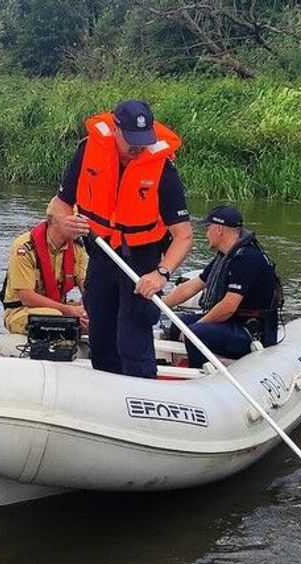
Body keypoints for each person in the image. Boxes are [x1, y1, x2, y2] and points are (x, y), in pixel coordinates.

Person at [46, 99, 193, 378]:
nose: (138, 148)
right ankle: (106, 390)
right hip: (101, 253)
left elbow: (183, 236)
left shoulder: (163, 168)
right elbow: (61, 203)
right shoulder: (88, 151)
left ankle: (142, 390)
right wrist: (68, 223)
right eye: (132, 140)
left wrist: (161, 274)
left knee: (133, 335)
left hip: (142, 261)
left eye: (144, 139)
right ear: (115, 129)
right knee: (100, 331)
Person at [160, 205, 283, 368]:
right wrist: (158, 306)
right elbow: (190, 288)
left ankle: (200, 373)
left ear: (219, 229)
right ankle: (184, 364)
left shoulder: (247, 259)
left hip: (249, 331)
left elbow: (228, 307)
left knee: (195, 333)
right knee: (178, 325)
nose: (205, 234)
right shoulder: (224, 258)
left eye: (208, 228)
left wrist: (196, 327)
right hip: (231, 323)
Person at [0, 205, 89, 334]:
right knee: (55, 317)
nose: (78, 224)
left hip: (60, 306)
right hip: (21, 310)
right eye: (72, 220)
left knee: (102, 313)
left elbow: (86, 283)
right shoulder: (24, 248)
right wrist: (69, 311)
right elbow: (26, 297)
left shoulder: (77, 248)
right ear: (54, 222)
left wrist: (88, 307)